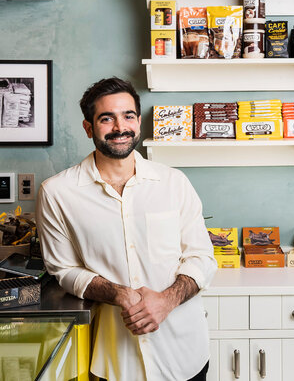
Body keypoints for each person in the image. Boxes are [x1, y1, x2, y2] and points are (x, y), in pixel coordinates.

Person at [36, 77, 217, 381]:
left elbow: (202, 258)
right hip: (115, 362)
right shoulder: (57, 192)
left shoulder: (174, 183)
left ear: (138, 121)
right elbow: (63, 269)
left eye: (128, 116)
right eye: (106, 118)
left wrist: (167, 299)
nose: (120, 127)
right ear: (88, 127)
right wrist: (119, 293)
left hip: (183, 354)